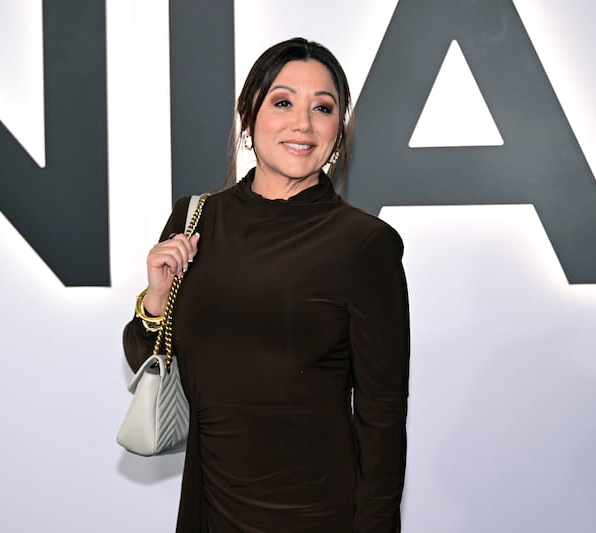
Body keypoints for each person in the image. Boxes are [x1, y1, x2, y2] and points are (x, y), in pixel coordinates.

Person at [123, 37, 410, 532]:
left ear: (338, 132)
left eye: (322, 108)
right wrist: (155, 299)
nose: (303, 124)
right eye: (283, 103)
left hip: (318, 514)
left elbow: (382, 417)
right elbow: (147, 359)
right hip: (210, 504)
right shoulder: (196, 220)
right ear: (248, 115)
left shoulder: (365, 244)